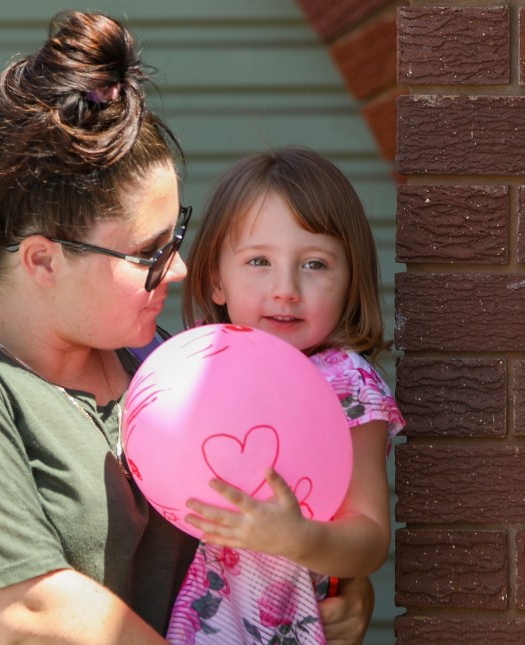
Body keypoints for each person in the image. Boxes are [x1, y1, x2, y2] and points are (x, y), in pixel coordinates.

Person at [0, 12, 373, 644]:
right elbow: (37, 616)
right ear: (43, 260)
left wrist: (332, 589)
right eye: (148, 252)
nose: (181, 268)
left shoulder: (169, 368)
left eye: (177, 236)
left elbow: (281, 530)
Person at [166, 146, 405, 644]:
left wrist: (301, 539)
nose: (285, 288)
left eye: (315, 264)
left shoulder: (346, 382)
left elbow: (370, 538)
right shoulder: (187, 374)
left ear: (349, 281)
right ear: (215, 279)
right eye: (258, 261)